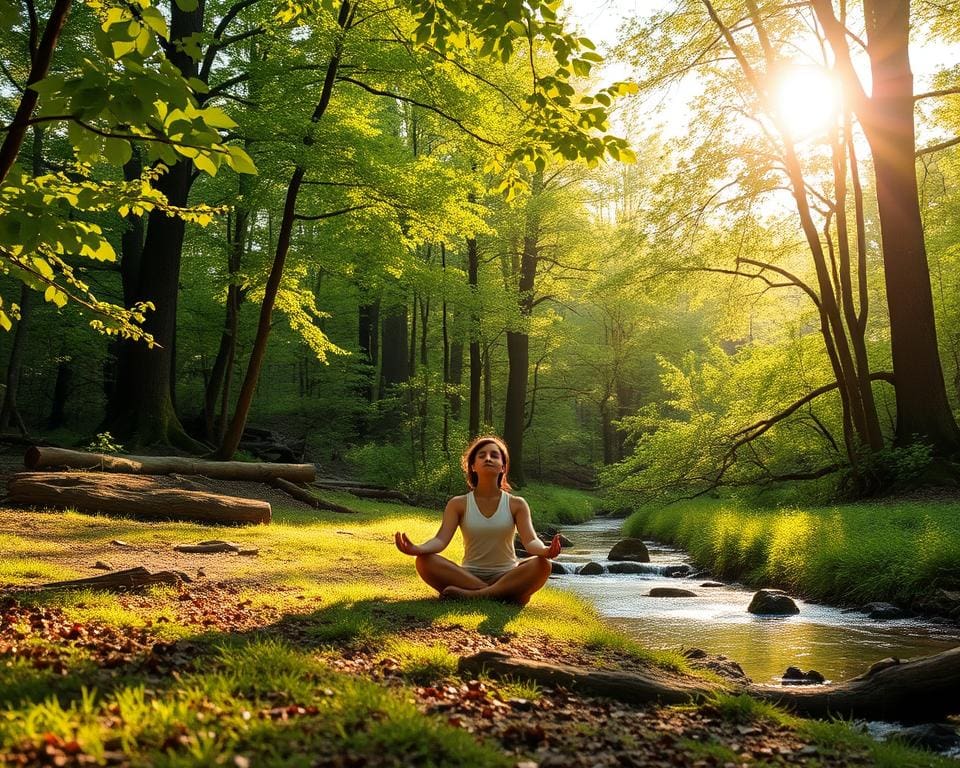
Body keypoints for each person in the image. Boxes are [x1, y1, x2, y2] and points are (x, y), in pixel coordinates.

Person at [394, 435, 561, 606]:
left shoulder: (516, 504)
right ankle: (503, 593)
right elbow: (440, 540)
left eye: (494, 455)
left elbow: (531, 541)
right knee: (424, 561)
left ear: (503, 467)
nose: (488, 458)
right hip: (467, 576)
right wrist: (417, 549)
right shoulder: (458, 504)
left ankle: (476, 595)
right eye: (482, 455)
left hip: (506, 574)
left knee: (543, 565)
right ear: (473, 466)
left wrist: (545, 551)